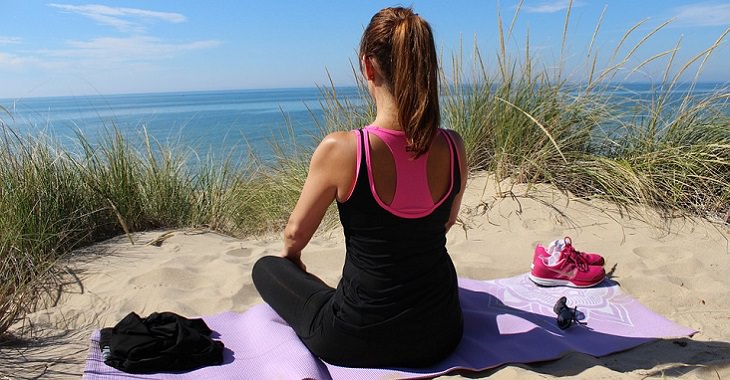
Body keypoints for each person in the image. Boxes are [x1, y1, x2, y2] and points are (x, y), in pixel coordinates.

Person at [252, 6, 468, 368]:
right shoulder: (453, 146)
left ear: (368, 66)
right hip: (442, 333)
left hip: (357, 337)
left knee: (265, 267)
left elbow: (293, 236)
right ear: (427, 64)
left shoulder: (343, 149)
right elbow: (446, 222)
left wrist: (293, 264)